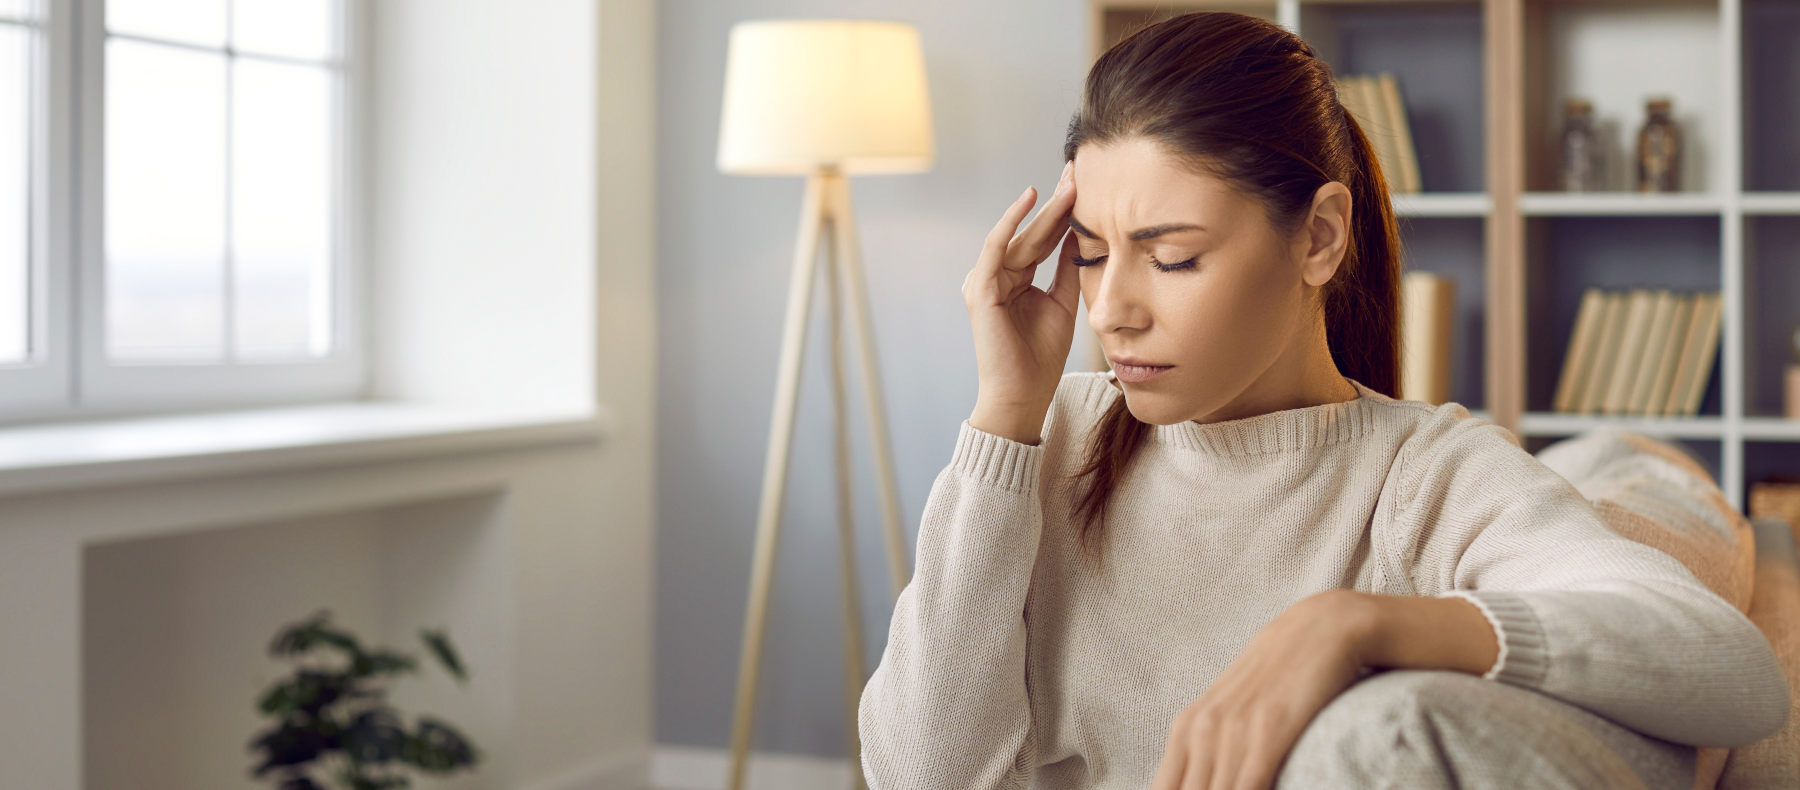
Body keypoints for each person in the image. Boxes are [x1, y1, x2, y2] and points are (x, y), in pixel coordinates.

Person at [858, 12, 1787, 790]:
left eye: (1174, 257)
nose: (1110, 309)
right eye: (1093, 253)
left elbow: (1734, 673)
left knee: (1644, 481)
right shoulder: (1046, 439)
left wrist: (1355, 624)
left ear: (1321, 237)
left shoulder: (1422, 474)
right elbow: (919, 773)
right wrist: (1002, 420)